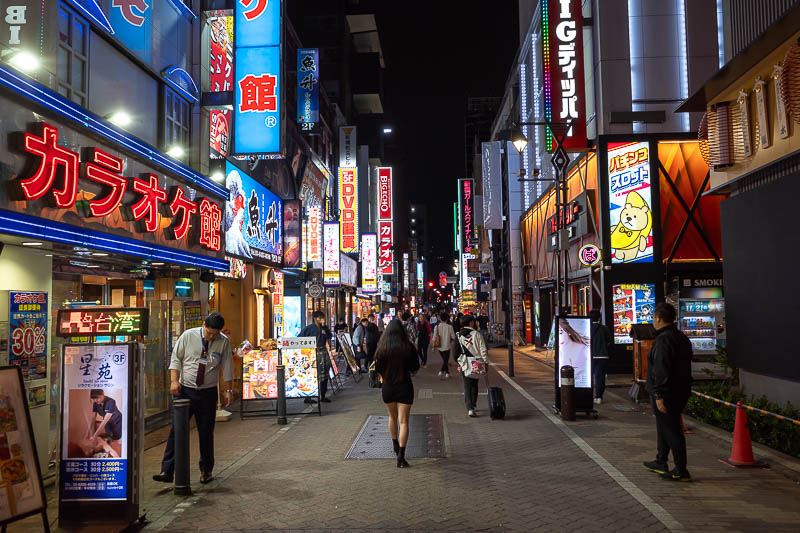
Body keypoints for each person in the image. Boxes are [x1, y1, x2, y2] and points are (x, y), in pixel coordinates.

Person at [154, 312, 233, 484]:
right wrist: (174, 381)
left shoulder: (223, 342)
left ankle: (206, 471)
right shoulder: (188, 336)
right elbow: (175, 360)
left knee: (206, 433)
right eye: (209, 332)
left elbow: (226, 367)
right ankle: (167, 471)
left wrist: (227, 391)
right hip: (185, 390)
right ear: (203, 325)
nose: (211, 336)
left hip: (208, 393)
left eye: (215, 333)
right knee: (177, 431)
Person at [643, 302, 693, 482]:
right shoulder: (681, 338)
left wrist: (659, 395)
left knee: (672, 430)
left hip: (668, 393)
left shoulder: (664, 340)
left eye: (653, 318)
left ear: (658, 318)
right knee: (665, 427)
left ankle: (681, 469)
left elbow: (661, 370)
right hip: (681, 390)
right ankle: (660, 461)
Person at [374, 319, 420, 468]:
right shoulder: (408, 347)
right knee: (404, 421)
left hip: (387, 387)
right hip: (405, 386)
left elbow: (377, 368)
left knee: (392, 417)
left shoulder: (382, 348)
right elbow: (415, 367)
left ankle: (394, 444)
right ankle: (401, 454)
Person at [455, 315, 489, 417]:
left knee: (467, 385)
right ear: (470, 323)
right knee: (474, 384)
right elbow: (483, 350)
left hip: (465, 363)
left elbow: (455, 352)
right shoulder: (477, 334)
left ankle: (470, 408)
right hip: (476, 363)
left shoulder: (458, 335)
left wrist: (460, 362)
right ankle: (473, 405)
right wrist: (486, 362)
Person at [300, 310, 331, 403]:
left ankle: (323, 395)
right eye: (319, 318)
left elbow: (329, 336)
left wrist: (325, 327)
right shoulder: (309, 328)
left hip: (323, 352)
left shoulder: (324, 328)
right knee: (311, 374)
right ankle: (308, 397)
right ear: (315, 319)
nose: (322, 319)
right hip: (313, 353)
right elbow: (300, 338)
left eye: (322, 317)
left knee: (324, 374)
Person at [589, 309, 613, 404]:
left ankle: (587, 395)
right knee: (600, 377)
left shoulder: (587, 328)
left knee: (588, 377)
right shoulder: (604, 329)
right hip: (603, 356)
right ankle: (599, 397)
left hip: (590, 356)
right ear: (599, 318)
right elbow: (609, 342)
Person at [558, 318, 590, 388]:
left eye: (560, 332)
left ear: (568, 331)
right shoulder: (560, 352)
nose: (559, 338)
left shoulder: (584, 350)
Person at [432, 312, 456, 379]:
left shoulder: (437, 327)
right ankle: (442, 371)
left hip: (439, 346)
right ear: (447, 319)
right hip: (447, 346)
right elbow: (453, 337)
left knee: (445, 360)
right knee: (446, 360)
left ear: (440, 319)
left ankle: (447, 373)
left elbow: (434, 337)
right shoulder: (450, 327)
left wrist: (433, 347)